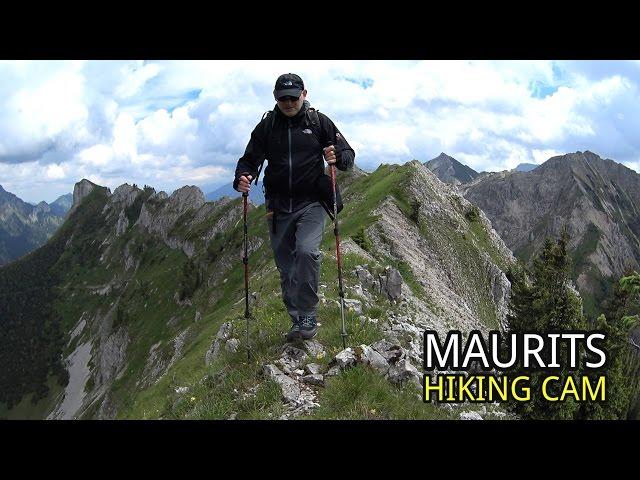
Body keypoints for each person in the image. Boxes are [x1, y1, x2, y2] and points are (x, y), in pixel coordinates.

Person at [233, 73, 355, 341]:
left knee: (307, 252)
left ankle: (309, 314)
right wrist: (242, 177)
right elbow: (249, 160)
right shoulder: (267, 127)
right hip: (277, 207)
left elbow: (348, 157)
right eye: (282, 98)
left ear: (304, 94)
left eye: (292, 97)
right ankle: (296, 319)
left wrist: (336, 155)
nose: (288, 103)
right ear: (276, 98)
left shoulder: (319, 122)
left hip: (311, 203)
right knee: (286, 268)